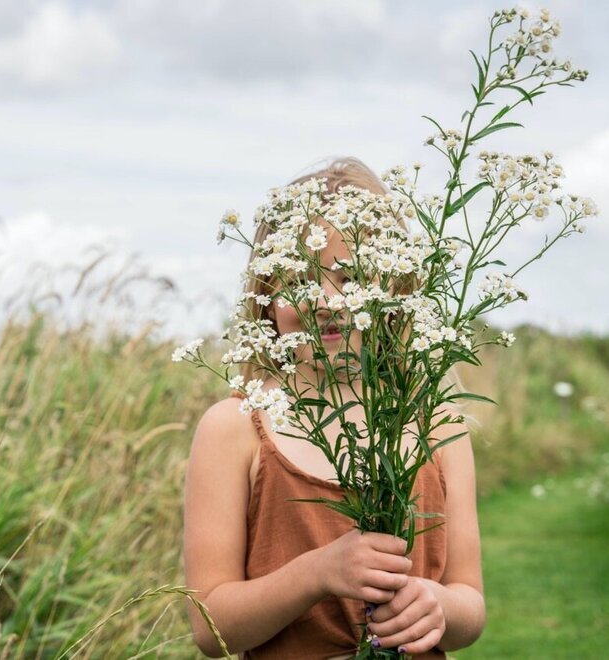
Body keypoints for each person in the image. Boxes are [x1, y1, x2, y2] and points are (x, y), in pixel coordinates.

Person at [183, 158, 485, 659]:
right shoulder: (233, 429)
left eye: (350, 275)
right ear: (266, 293)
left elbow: (470, 608)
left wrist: (436, 605)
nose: (326, 300)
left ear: (397, 287)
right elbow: (211, 627)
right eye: (299, 276)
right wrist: (319, 572)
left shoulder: (438, 422)